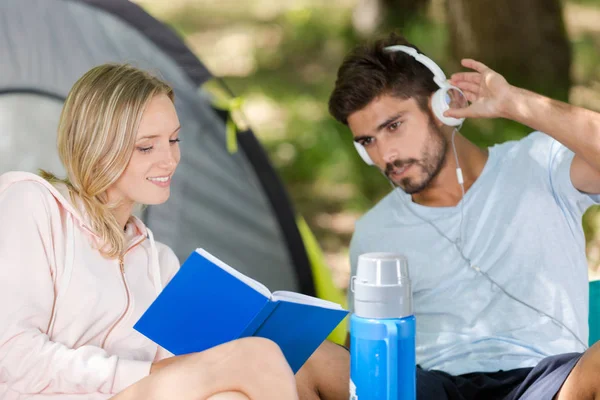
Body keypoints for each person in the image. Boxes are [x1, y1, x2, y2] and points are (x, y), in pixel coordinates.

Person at [0, 63, 348, 400]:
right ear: (97, 146)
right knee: (259, 356)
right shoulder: (33, 205)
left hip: (145, 390)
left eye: (174, 139)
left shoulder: (158, 260)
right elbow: (14, 355)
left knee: (304, 359)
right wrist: (149, 373)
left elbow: (176, 364)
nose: (169, 160)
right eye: (147, 146)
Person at [328, 32, 600, 399]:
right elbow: (361, 356)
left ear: (444, 106)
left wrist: (516, 103)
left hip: (547, 382)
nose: (385, 154)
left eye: (393, 126)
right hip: (431, 387)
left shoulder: (541, 163)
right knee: (302, 358)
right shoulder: (374, 232)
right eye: (367, 141)